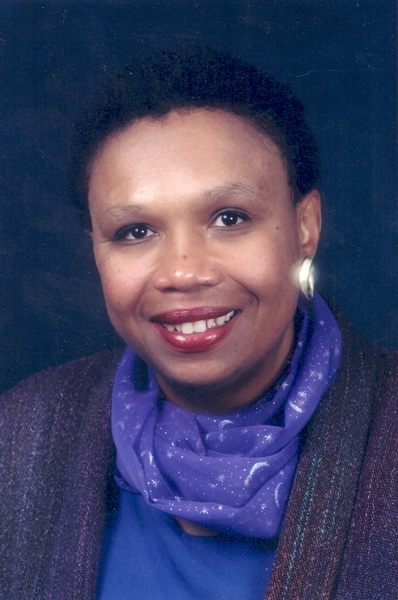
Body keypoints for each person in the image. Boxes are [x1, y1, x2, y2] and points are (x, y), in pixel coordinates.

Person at [1, 46, 397, 600]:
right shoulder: (21, 436)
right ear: (95, 248)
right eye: (135, 231)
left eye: (229, 218)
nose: (182, 272)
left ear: (305, 226)